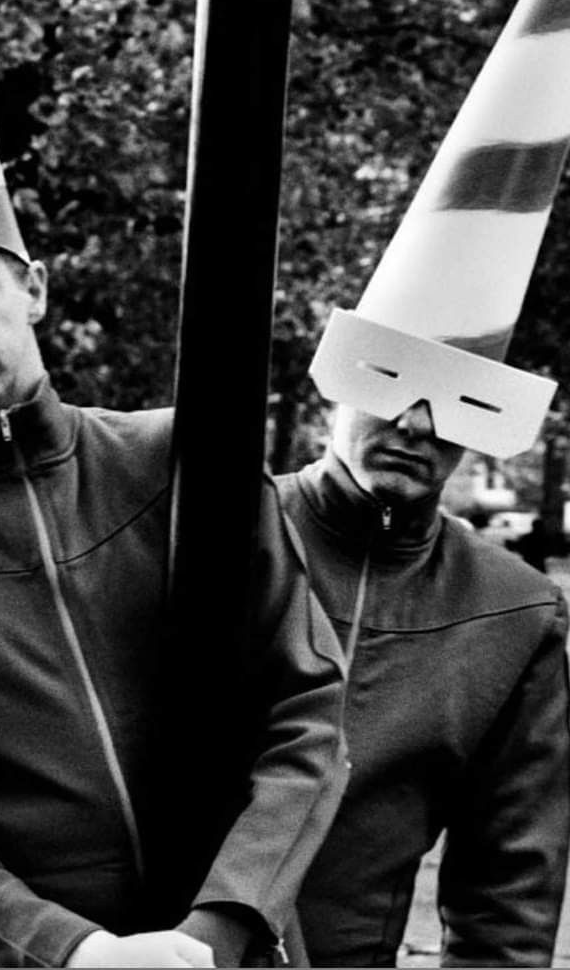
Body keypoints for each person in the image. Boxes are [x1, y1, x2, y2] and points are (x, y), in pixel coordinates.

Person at [0, 239, 348, 970]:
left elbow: (307, 713)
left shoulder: (187, 458)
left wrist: (221, 925)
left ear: (36, 291)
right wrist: (78, 953)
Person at [276, 399, 570, 966]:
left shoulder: (516, 611)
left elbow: (508, 895)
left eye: (460, 398)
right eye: (390, 382)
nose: (416, 424)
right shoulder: (203, 528)